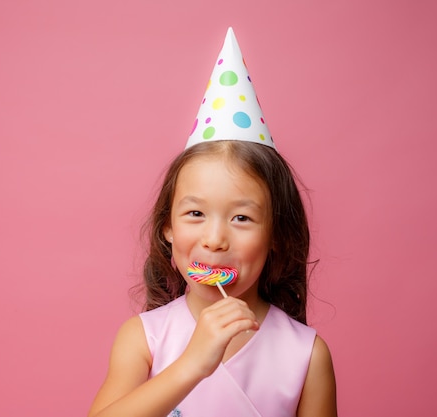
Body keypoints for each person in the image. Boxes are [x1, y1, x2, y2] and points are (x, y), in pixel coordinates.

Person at [88, 28, 337, 417]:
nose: (216, 239)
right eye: (195, 214)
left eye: (242, 217)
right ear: (167, 228)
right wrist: (191, 365)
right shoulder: (144, 338)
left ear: (276, 235)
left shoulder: (307, 355)